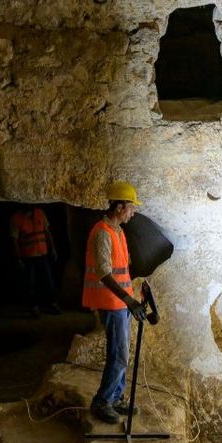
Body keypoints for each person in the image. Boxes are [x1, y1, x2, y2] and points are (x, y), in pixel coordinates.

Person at [82, 181, 147, 424]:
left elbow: (123, 270)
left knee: (122, 353)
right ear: (119, 207)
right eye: (131, 207)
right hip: (112, 303)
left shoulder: (117, 231)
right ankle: (102, 401)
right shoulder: (102, 233)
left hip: (121, 303)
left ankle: (117, 397)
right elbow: (104, 273)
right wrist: (129, 300)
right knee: (119, 355)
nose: (133, 212)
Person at [10, 205, 60, 316]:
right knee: (30, 284)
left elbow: (47, 232)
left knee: (48, 281)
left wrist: (52, 249)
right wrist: (18, 259)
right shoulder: (16, 218)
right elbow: (14, 240)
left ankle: (51, 304)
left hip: (42, 253)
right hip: (28, 256)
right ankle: (33, 307)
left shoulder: (40, 213)